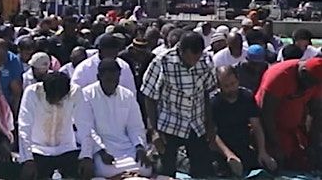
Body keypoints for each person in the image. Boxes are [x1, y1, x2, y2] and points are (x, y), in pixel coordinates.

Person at [141, 32, 217, 177]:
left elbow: (206, 93)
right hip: (170, 124)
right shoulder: (162, 62)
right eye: (191, 58)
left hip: (196, 124)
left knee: (203, 171)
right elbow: (149, 97)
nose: (194, 62)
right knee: (166, 171)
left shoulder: (206, 61)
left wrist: (210, 124)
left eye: (197, 57)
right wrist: (154, 131)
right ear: (181, 51)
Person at [75, 59, 151, 178]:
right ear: (98, 77)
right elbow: (87, 129)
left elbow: (135, 127)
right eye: (108, 80)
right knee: (106, 171)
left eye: (115, 80)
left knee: (145, 169)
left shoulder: (127, 95)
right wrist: (101, 151)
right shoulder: (86, 95)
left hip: (126, 147)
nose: (112, 84)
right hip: (102, 148)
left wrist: (140, 147)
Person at [17, 71, 89, 180]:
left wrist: (87, 156)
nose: (55, 101)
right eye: (52, 97)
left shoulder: (75, 92)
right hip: (38, 150)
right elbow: (24, 127)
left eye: (59, 97)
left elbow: (85, 125)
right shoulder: (32, 92)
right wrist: (28, 159)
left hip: (66, 149)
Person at [256, 57, 322, 171]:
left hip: (294, 129)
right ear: (304, 72)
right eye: (309, 83)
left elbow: (316, 113)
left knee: (307, 162)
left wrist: (313, 144)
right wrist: (275, 144)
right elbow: (266, 113)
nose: (310, 87)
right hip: (268, 129)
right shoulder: (279, 76)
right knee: (278, 163)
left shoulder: (316, 80)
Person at [210, 66, 277, 176]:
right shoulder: (213, 102)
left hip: (242, 145)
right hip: (221, 150)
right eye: (226, 86)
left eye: (233, 83)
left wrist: (262, 151)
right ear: (219, 86)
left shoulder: (246, 96)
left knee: (270, 169)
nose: (231, 88)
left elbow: (256, 126)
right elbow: (212, 133)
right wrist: (229, 155)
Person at [71, 33, 136, 92]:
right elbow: (75, 92)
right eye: (108, 50)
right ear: (100, 50)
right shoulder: (84, 67)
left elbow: (131, 91)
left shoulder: (124, 67)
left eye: (114, 50)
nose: (112, 53)